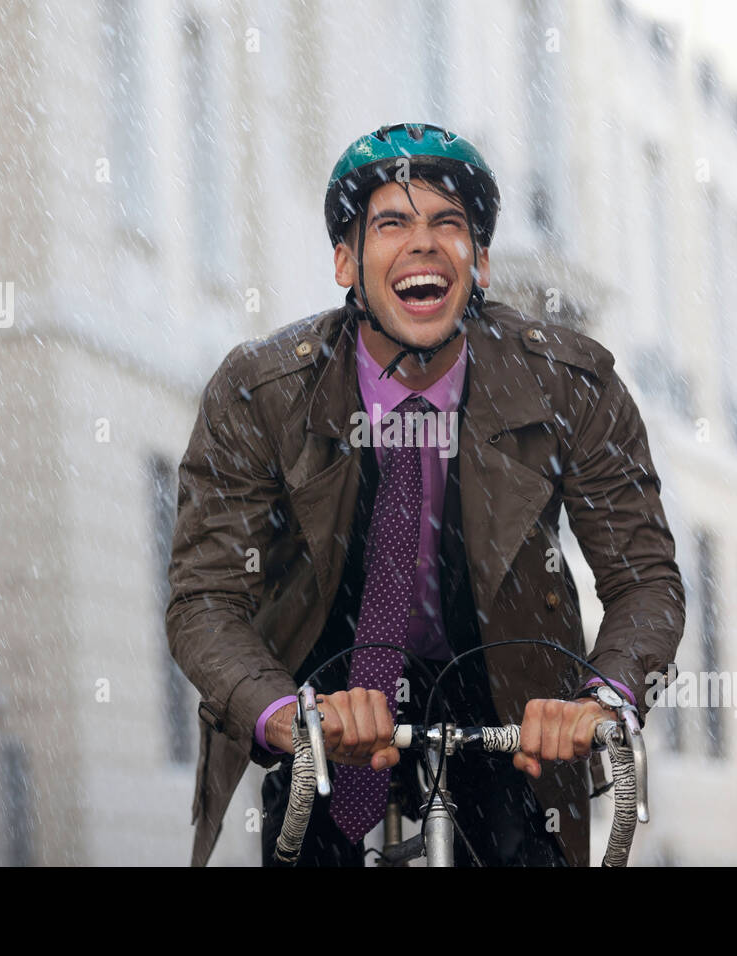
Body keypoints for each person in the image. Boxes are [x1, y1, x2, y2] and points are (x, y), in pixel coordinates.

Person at [166, 123, 686, 867]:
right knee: (309, 836)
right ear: (347, 261)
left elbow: (646, 583)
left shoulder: (572, 381)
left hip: (512, 693)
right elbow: (205, 598)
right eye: (391, 223)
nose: (424, 243)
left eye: (450, 223)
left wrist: (600, 700)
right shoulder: (259, 393)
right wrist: (281, 714)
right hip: (326, 688)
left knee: (524, 847)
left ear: (478, 260)